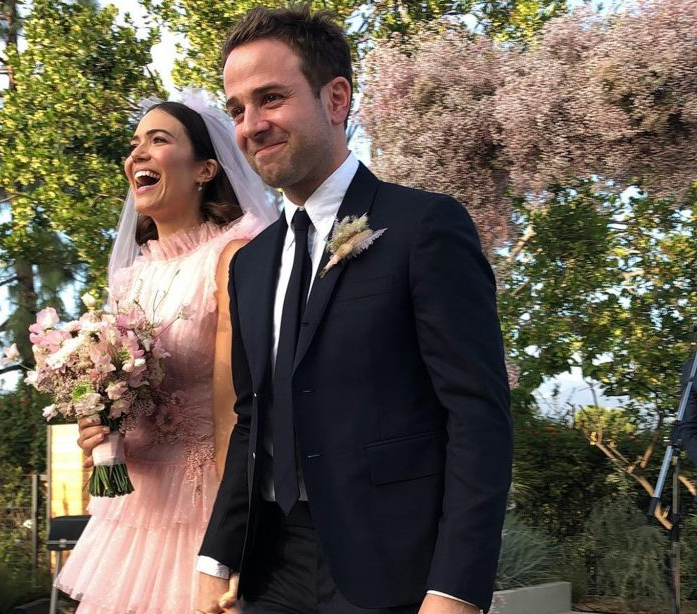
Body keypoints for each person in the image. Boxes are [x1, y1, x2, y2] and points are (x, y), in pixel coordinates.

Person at [196, 6, 513, 614]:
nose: (251, 125)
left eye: (270, 98)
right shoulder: (249, 265)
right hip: (270, 572)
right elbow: (252, 419)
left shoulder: (425, 226)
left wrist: (455, 589)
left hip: (393, 570)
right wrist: (217, 557)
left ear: (336, 98)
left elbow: (477, 417)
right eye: (237, 109)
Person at [54, 93, 277, 613]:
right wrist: (100, 430)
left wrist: (235, 543)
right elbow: (126, 401)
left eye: (159, 140)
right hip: (131, 511)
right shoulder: (129, 280)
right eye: (135, 143)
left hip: (203, 505)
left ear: (205, 170)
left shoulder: (233, 257)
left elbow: (240, 411)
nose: (137, 154)